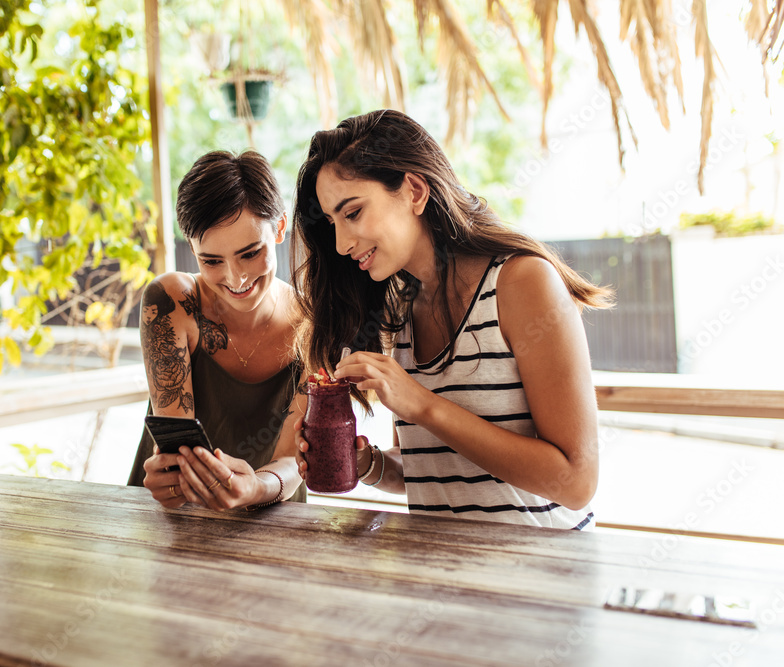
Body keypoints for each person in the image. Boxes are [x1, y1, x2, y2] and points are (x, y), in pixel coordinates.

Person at [291, 110, 612, 529]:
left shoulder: (522, 283)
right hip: (447, 578)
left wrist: (422, 404)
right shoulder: (403, 310)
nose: (340, 243)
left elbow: (575, 481)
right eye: (332, 223)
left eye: (352, 213)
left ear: (415, 191)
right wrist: (366, 463)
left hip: (542, 581)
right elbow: (437, 474)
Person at [128, 150, 306, 511]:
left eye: (251, 252)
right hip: (174, 515)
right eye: (210, 260)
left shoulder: (313, 322)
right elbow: (177, 447)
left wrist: (257, 486)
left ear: (281, 228)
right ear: (191, 247)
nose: (235, 278)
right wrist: (170, 479)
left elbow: (295, 459)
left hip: (274, 517)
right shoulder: (171, 302)